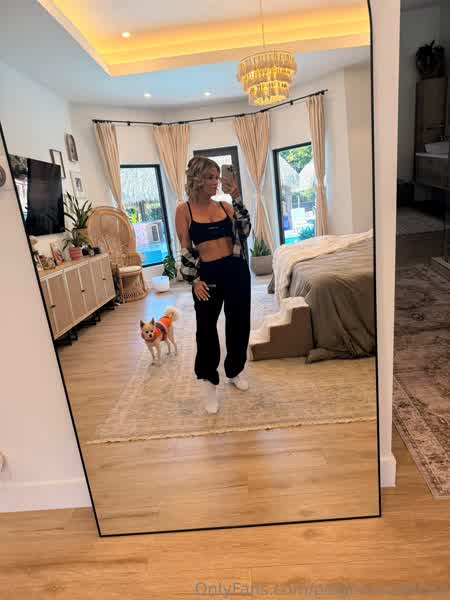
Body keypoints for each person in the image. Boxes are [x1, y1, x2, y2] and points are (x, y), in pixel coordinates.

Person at [175, 156, 252, 414]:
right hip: (207, 276)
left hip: (236, 269)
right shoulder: (184, 210)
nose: (215, 182)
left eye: (217, 176)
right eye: (210, 177)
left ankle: (235, 370)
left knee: (239, 324)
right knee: (206, 329)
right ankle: (209, 382)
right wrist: (195, 280)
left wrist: (236, 197)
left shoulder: (225, 205)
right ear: (196, 178)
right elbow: (185, 248)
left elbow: (245, 231)